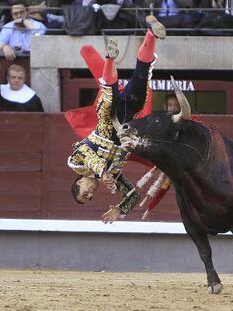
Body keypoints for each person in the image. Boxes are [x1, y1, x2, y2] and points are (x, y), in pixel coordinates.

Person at [67, 15, 166, 223]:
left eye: (85, 194)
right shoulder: (114, 177)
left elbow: (87, 153)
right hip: (129, 116)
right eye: (91, 198)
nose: (91, 194)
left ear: (79, 183)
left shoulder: (75, 164)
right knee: (142, 75)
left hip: (108, 121)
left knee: (109, 92)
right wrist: (121, 210)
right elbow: (134, 194)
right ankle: (151, 34)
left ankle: (110, 59)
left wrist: (103, 172)